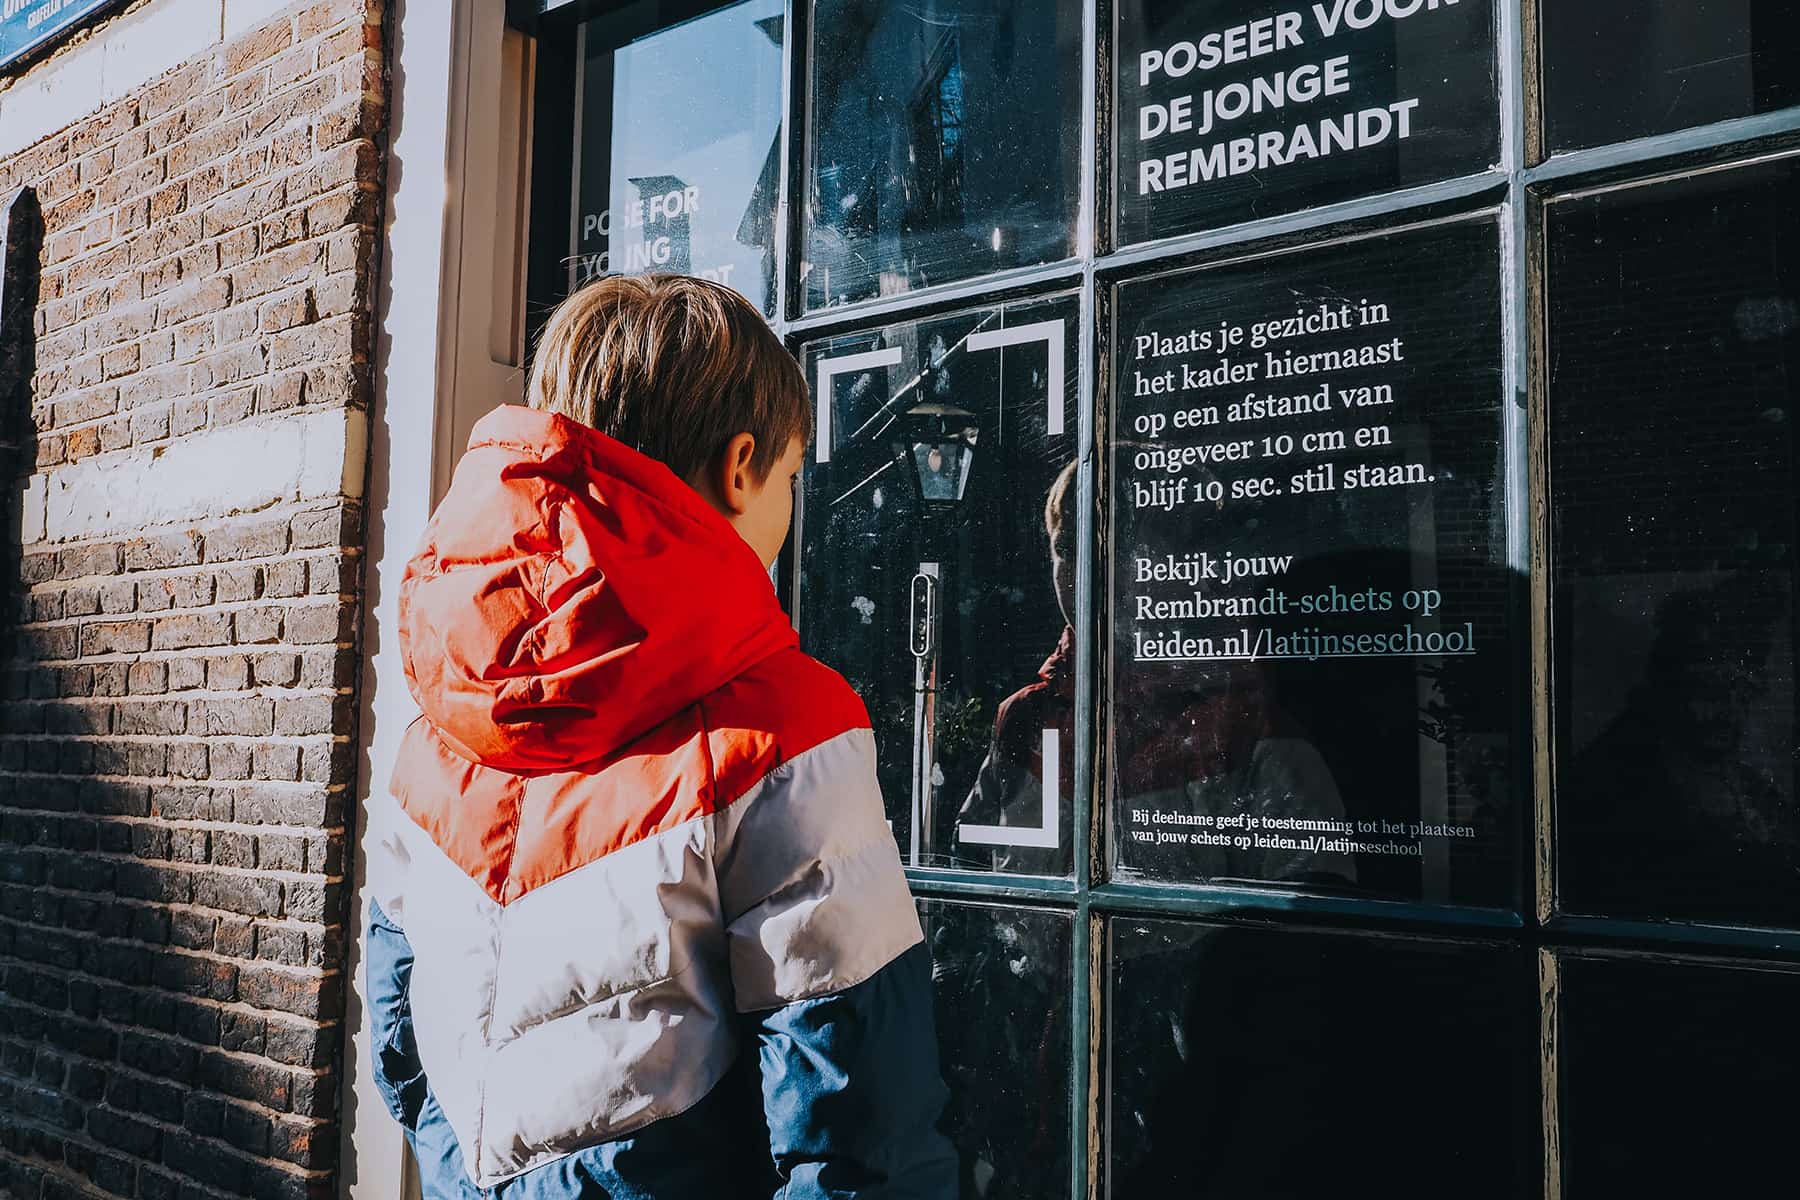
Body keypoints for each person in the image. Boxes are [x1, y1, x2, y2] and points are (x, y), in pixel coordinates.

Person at [363, 275, 957, 1198]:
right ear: (740, 467)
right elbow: (855, 1118)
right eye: (791, 478)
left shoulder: (435, 731)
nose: (791, 510)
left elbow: (400, 1031)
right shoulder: (783, 729)